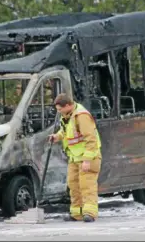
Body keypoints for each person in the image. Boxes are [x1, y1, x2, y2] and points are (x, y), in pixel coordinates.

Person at [49, 93, 102, 223]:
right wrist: (57, 136)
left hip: (88, 157)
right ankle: (77, 213)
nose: (58, 112)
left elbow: (91, 139)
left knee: (87, 185)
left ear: (67, 105)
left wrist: (87, 160)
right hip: (74, 157)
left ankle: (89, 213)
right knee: (73, 185)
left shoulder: (81, 116)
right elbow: (67, 131)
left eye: (60, 109)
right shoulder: (68, 116)